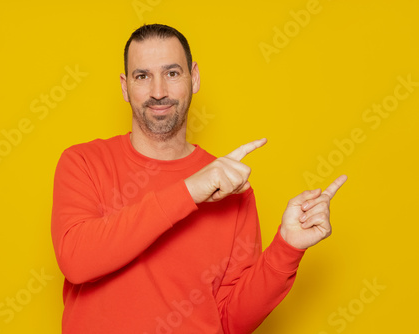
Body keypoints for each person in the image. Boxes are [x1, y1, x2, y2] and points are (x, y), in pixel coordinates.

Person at [51, 23, 346, 334]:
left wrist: (288, 247)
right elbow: (77, 260)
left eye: (172, 73)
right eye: (142, 76)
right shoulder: (83, 162)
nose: (158, 91)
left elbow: (231, 320)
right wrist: (190, 190)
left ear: (195, 78)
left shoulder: (232, 187)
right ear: (125, 87)